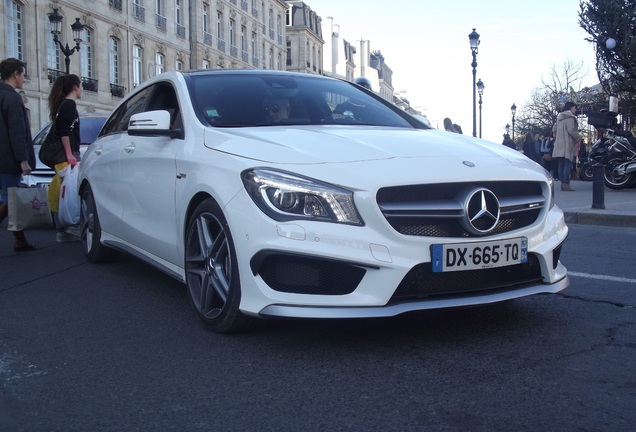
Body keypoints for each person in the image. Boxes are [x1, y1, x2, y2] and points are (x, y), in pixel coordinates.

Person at [0, 58, 37, 252]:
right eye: (22, 74)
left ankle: (19, 239)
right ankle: (19, 239)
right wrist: (23, 160)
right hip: (8, 158)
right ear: (15, 75)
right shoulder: (12, 98)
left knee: (9, 199)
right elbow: (17, 131)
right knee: (9, 199)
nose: (23, 79)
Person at [47, 74, 83, 242]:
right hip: (65, 156)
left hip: (64, 155)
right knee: (66, 192)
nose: (82, 89)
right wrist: (70, 154)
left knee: (63, 191)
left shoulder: (64, 105)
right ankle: (64, 229)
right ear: (75, 87)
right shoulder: (69, 105)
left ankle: (63, 230)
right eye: (81, 85)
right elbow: (64, 130)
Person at [552, 101, 582, 191]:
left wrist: (557, 138)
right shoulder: (571, 118)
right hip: (567, 143)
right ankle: (566, 183)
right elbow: (571, 130)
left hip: (559, 143)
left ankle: (562, 183)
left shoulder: (559, 118)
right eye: (575, 107)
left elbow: (554, 129)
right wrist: (578, 137)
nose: (576, 110)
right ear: (571, 108)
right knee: (567, 163)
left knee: (561, 163)